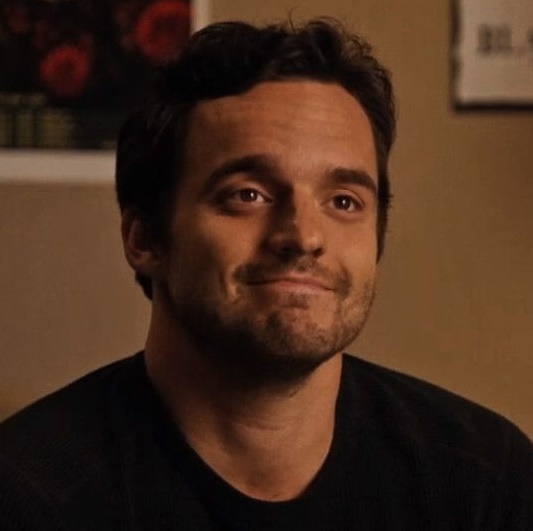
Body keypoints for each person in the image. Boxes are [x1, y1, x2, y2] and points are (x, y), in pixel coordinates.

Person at [1, 18, 532, 530]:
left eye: (344, 201)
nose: (303, 236)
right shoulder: (27, 497)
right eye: (248, 195)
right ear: (144, 239)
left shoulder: (486, 483)